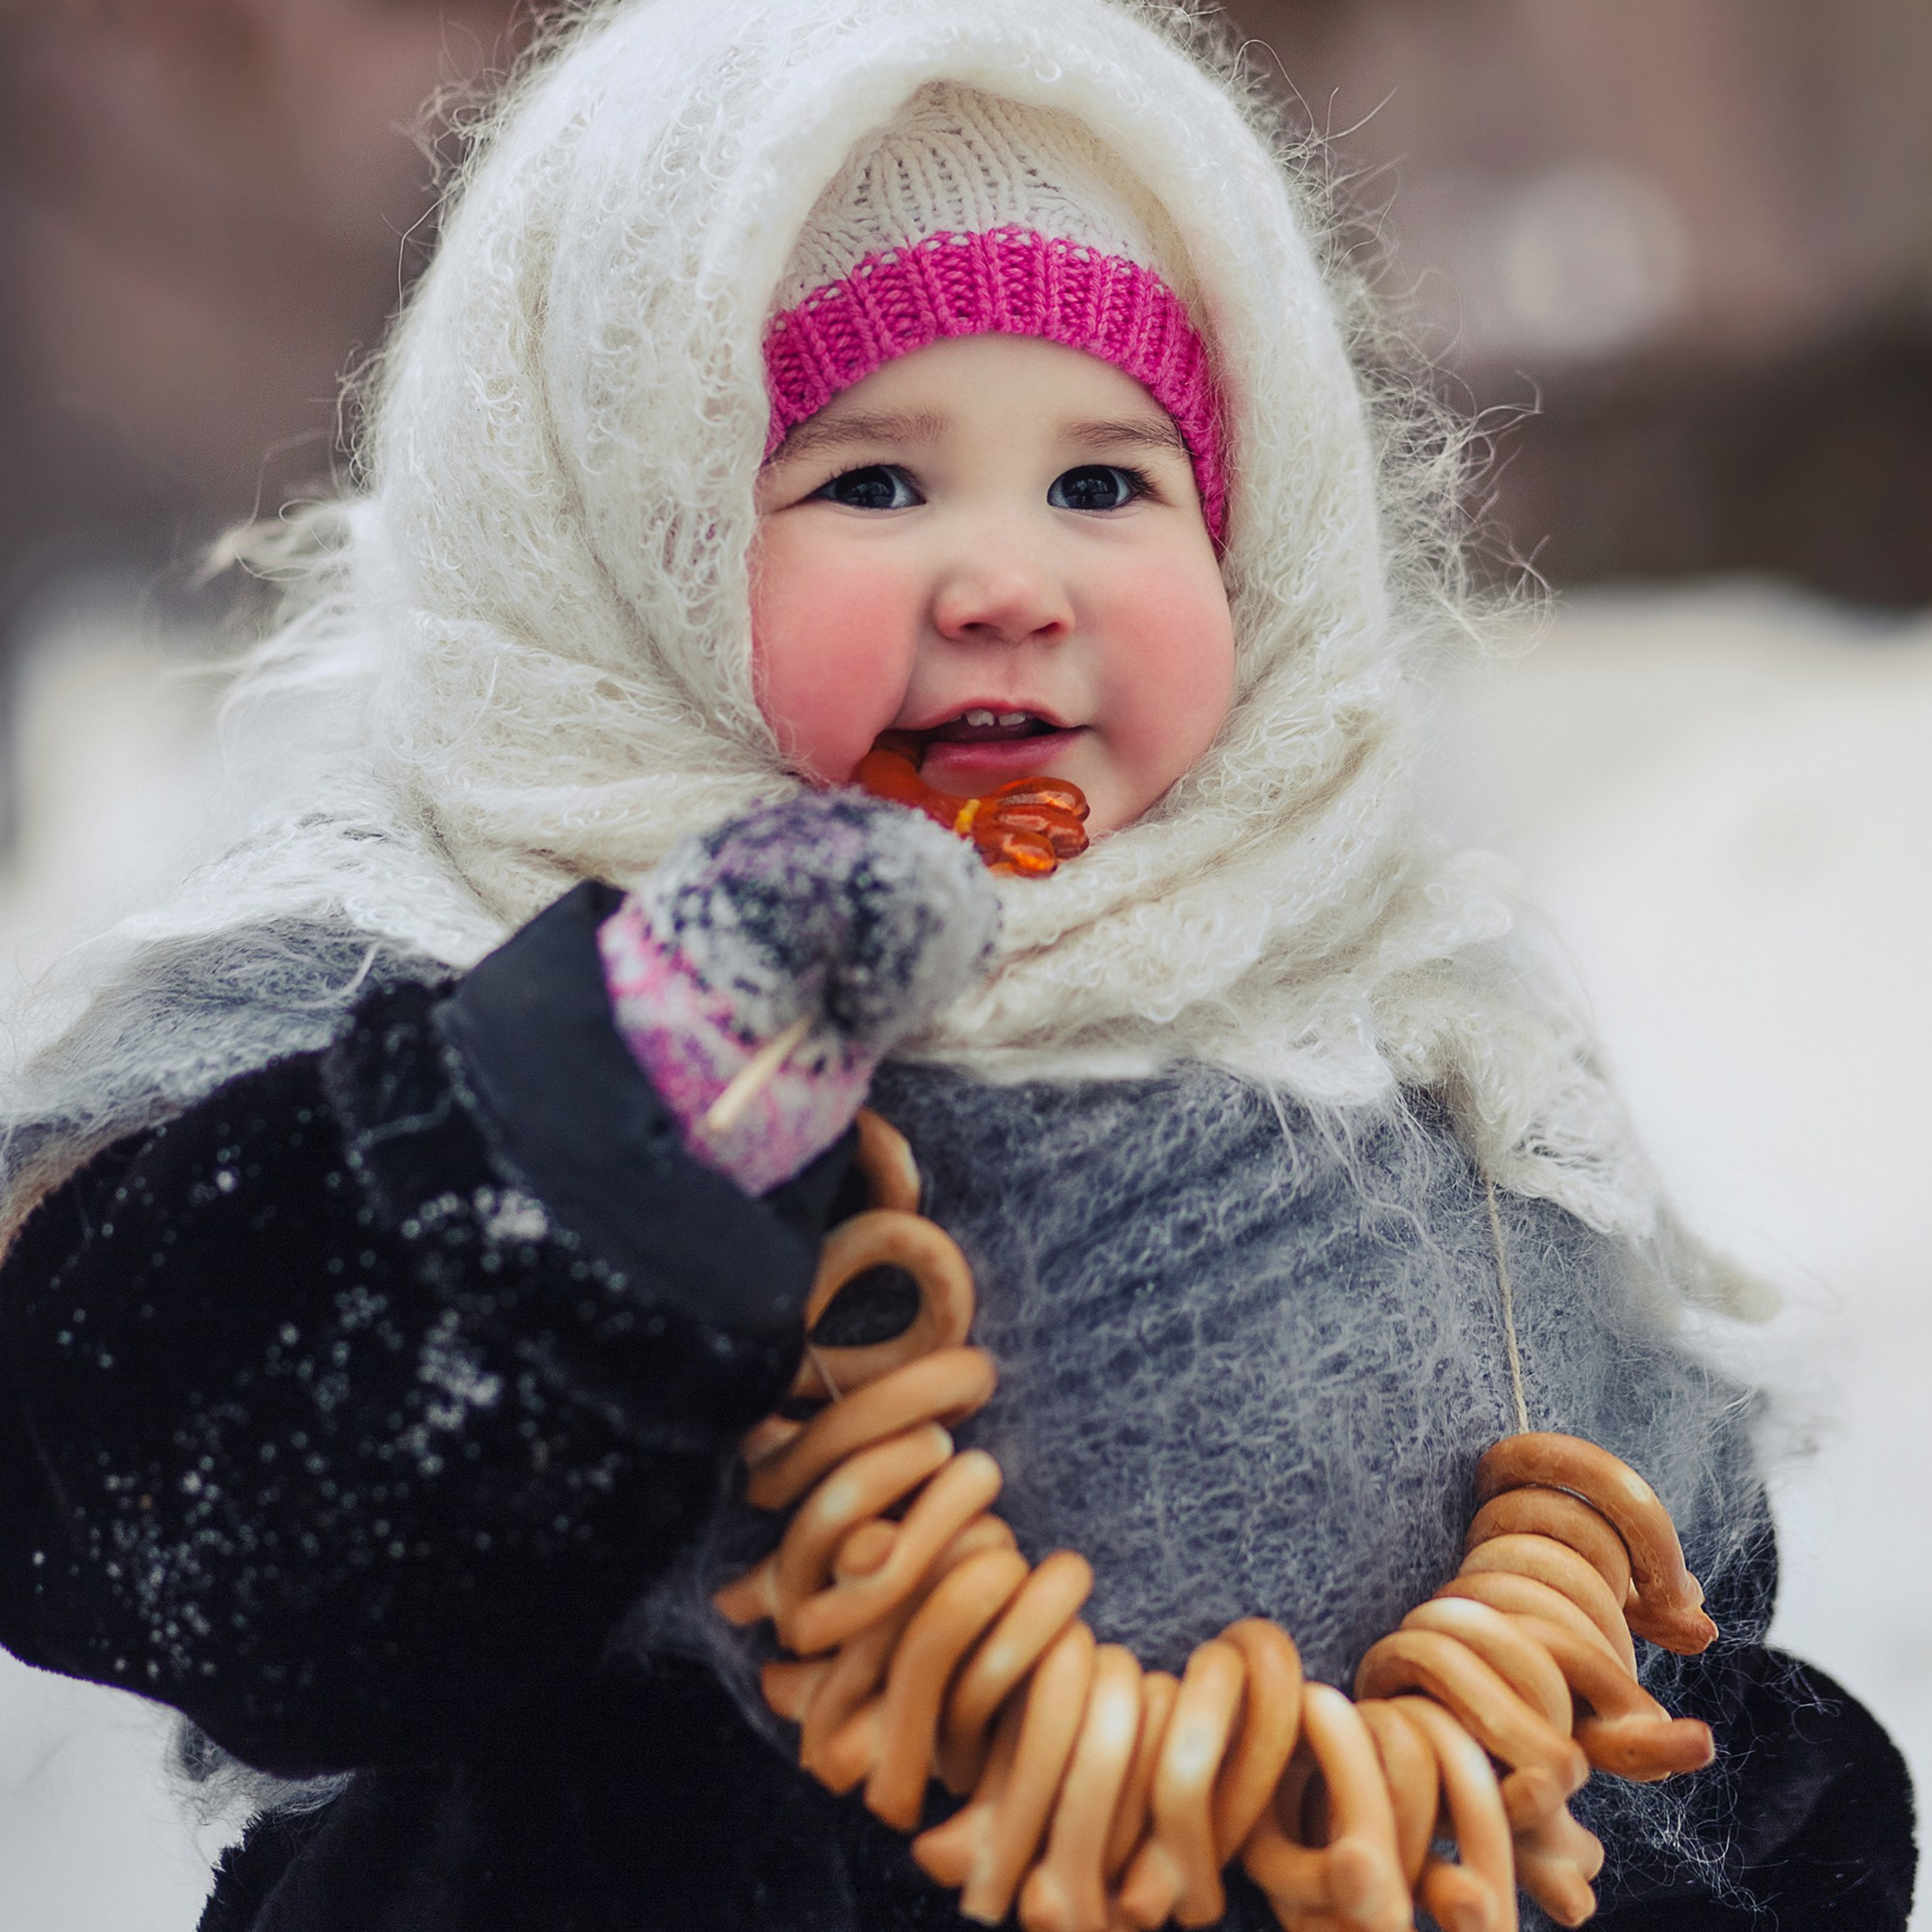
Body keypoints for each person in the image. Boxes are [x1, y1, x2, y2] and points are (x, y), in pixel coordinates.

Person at [0, 2, 1915, 1928]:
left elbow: (1662, 1588)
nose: (1012, 578)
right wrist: (603, 1091)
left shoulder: (1377, 1008)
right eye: (870, 483)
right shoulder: (460, 959)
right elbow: (155, 1492)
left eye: (1103, 483)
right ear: (630, 545)